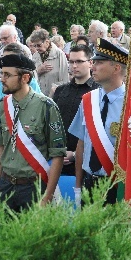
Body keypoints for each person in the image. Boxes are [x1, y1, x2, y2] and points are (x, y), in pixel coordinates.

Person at [0, 54, 66, 211]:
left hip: (34, 187)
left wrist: (47, 196)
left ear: (25, 78)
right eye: (2, 73)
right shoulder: (2, 106)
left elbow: (58, 155)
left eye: (7, 75)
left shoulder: (46, 106)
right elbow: (2, 148)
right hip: (5, 186)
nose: (2, 79)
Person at [69, 39, 127, 205]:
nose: (93, 66)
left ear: (116, 68)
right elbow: (81, 145)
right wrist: (78, 187)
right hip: (89, 183)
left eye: (99, 62)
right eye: (93, 61)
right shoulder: (89, 100)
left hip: (118, 186)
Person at [52, 44, 99, 176]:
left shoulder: (98, 91)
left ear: (90, 63)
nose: (74, 66)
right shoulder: (61, 91)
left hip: (87, 163)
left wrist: (75, 154)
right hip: (59, 158)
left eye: (79, 61)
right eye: (71, 61)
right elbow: (53, 123)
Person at [0, 43, 43, 154]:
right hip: (3, 139)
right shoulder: (0, 84)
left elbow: (37, 111)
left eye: (11, 58)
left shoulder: (29, 83)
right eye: (4, 58)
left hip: (25, 142)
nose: (7, 62)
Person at [28, 28, 69, 96]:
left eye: (39, 45)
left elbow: (65, 81)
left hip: (55, 97)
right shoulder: (35, 56)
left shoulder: (59, 54)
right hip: (39, 97)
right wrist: (38, 71)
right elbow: (31, 80)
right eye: (35, 46)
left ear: (47, 42)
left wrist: (52, 92)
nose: (37, 48)